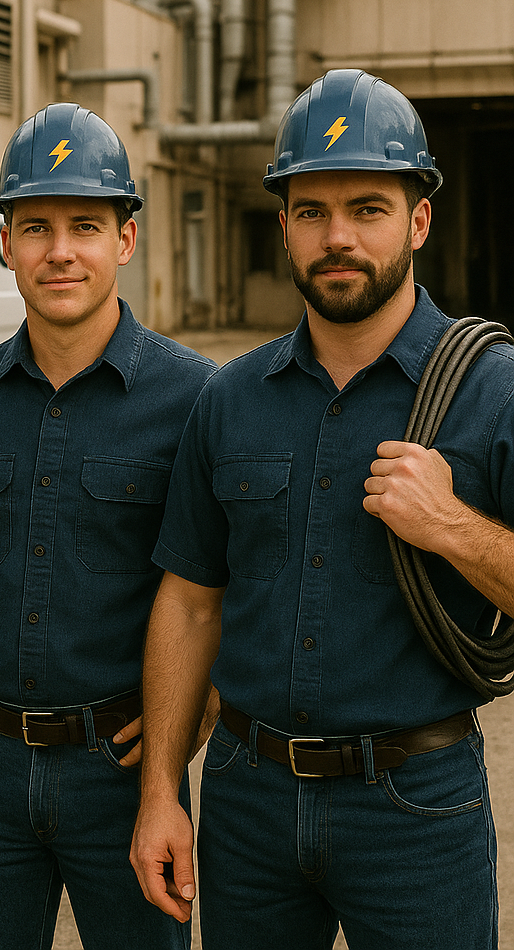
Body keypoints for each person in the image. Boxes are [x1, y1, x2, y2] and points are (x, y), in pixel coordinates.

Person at [131, 68, 512, 949]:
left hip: (414, 808)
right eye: (312, 211)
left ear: (418, 220)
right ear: (285, 227)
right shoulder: (229, 399)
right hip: (248, 799)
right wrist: (161, 791)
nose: (338, 237)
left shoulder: (494, 393)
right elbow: (190, 601)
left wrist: (451, 525)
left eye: (367, 209)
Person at [0, 102, 216, 950]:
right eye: (34, 227)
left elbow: (231, 577)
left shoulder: (198, 402)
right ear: (6, 243)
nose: (59, 251)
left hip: (128, 770)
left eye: (85, 225)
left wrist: (202, 706)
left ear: (126, 240)